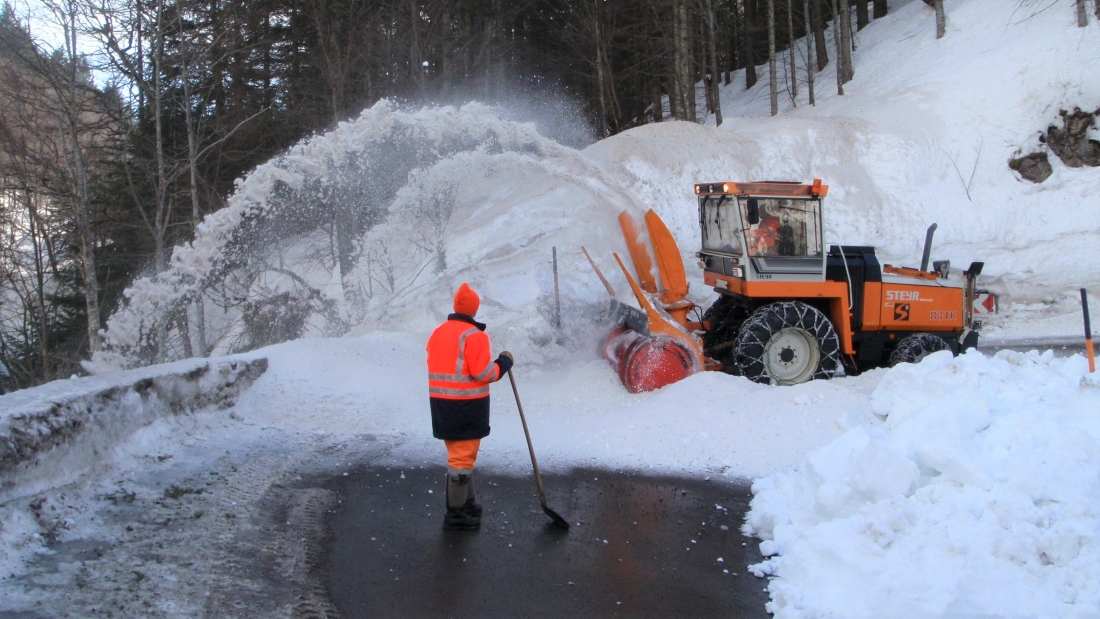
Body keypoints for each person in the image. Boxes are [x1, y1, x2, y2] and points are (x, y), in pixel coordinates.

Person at [426, 282, 513, 531]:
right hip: (465, 406)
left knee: (459, 456)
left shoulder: (438, 332)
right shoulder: (474, 336)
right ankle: (455, 515)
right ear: (474, 309)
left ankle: (467, 503)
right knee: (462, 459)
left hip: (441, 405)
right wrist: (504, 363)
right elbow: (484, 373)